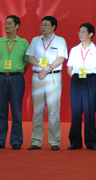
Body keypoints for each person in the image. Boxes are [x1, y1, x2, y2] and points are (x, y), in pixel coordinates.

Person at [26, 16, 68, 151]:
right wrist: (41, 66)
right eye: (42, 25)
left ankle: (54, 141)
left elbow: (61, 58)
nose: (43, 27)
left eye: (46, 25)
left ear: (54, 27)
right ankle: (36, 141)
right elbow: (30, 57)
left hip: (53, 76)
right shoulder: (35, 40)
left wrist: (47, 69)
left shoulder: (60, 40)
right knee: (38, 110)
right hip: (38, 76)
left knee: (54, 110)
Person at [0, 15, 29, 150]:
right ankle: (0, 140)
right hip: (0, 78)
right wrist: (2, 71)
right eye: (5, 23)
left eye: (10, 23)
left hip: (17, 78)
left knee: (16, 110)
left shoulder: (23, 42)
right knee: (0, 110)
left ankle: (16, 141)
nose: (6, 26)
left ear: (17, 26)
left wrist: (16, 72)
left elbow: (27, 62)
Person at [67, 23, 96, 150]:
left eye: (83, 32)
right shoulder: (74, 50)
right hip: (77, 80)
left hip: (91, 80)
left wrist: (92, 80)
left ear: (91, 34)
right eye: (80, 32)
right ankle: (75, 142)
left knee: (89, 111)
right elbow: (69, 68)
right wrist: (77, 78)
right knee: (75, 111)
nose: (81, 34)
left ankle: (91, 141)